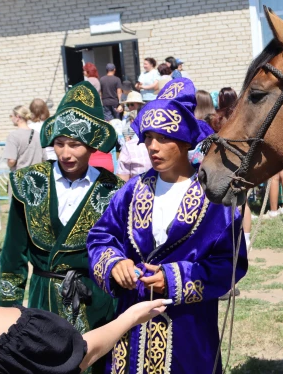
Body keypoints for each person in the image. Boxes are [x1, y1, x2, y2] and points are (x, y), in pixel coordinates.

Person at [87, 78, 248, 374]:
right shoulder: (132, 191)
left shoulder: (214, 199)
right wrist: (113, 263)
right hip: (131, 327)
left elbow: (231, 264)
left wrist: (173, 279)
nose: (153, 147)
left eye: (164, 138)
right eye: (148, 138)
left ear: (186, 141)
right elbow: (100, 237)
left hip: (189, 330)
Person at [0, 176, 169, 374]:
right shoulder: (14, 329)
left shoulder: (113, 186)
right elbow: (77, 356)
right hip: (46, 292)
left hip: (92, 299)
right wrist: (130, 318)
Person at [0, 81, 124, 373]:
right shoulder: (29, 183)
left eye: (75, 144)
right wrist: (7, 310)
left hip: (95, 298)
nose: (66, 153)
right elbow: (13, 255)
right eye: (59, 143)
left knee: (95, 364)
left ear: (92, 146)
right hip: (45, 298)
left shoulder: (113, 189)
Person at [3, 105, 43, 172]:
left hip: (21, 176)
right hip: (37, 176)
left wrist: (8, 164)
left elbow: (11, 161)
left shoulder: (13, 136)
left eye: (11, 116)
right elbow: (44, 158)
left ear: (18, 117)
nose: (11, 119)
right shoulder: (38, 134)